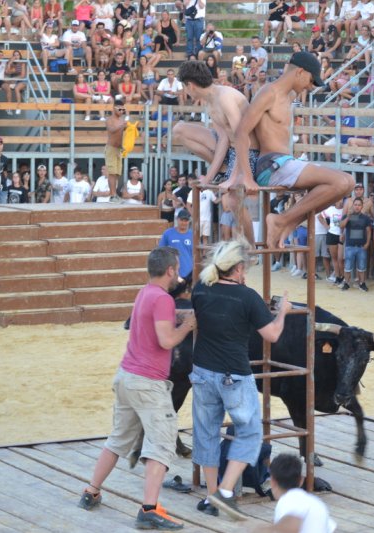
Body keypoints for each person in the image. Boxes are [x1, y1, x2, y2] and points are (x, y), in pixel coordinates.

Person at [77, 247, 195, 531]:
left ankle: (91, 491)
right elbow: (167, 341)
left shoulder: (145, 293)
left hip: (126, 375)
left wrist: (179, 319)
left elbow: (153, 326)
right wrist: (188, 325)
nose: (178, 273)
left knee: (118, 439)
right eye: (177, 268)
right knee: (162, 444)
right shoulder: (164, 299)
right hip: (148, 383)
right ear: (170, 270)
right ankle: (149, 509)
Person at [190, 239, 291, 521]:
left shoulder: (200, 288)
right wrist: (282, 311)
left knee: (206, 433)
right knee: (250, 432)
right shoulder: (248, 296)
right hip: (233, 373)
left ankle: (212, 496)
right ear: (236, 268)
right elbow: (272, 335)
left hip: (202, 370)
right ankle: (224, 492)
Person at [227, 52, 354, 249]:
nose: (310, 86)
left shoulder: (290, 95)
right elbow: (242, 132)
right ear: (300, 72)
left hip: (284, 162)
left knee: (346, 185)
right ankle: (282, 221)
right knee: (342, 181)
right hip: (270, 165)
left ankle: (286, 222)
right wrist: (246, 176)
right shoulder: (269, 92)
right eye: (311, 80)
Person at [173, 61, 258, 243]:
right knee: (179, 129)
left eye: (184, 87)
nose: (185, 91)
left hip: (248, 150)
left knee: (232, 202)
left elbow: (243, 138)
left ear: (191, 85)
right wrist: (209, 177)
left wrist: (234, 176)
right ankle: (221, 172)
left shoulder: (225, 97)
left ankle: (253, 248)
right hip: (231, 149)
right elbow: (223, 141)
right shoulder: (210, 102)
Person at [254, 454, 337, 533]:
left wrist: (268, 529)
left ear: (272, 482)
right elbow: (331, 528)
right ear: (301, 480)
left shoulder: (287, 500)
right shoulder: (315, 502)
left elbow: (293, 524)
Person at [339, 197, 371, 292]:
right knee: (347, 267)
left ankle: (362, 283)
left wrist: (368, 243)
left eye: (359, 205)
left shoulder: (366, 218)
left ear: (362, 206)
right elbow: (341, 226)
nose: (357, 207)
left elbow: (368, 231)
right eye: (355, 205)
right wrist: (348, 216)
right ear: (353, 205)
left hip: (361, 246)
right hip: (349, 246)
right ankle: (346, 283)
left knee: (362, 267)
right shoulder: (347, 216)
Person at [160, 210, 194, 283]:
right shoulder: (168, 233)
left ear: (189, 221)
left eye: (186, 220)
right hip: (173, 274)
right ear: (177, 219)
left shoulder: (193, 235)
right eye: (182, 220)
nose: (184, 223)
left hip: (190, 274)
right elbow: (160, 251)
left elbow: (196, 254)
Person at [105, 99, 126, 200]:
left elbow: (123, 135)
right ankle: (112, 195)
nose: (121, 111)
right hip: (111, 148)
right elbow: (112, 130)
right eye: (120, 109)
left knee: (117, 173)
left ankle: (114, 194)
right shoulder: (110, 120)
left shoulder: (122, 120)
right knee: (112, 172)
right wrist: (122, 126)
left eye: (123, 109)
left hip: (119, 149)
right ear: (114, 108)